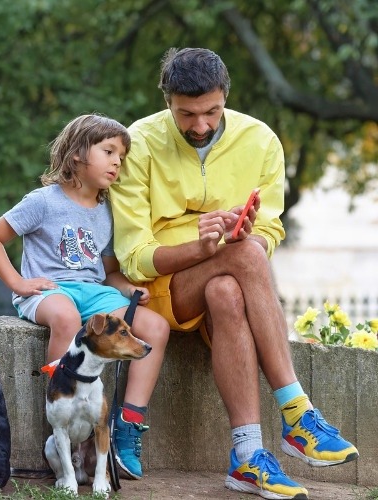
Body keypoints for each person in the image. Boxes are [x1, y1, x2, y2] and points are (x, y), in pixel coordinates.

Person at [111, 47, 359, 499]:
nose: (200, 125)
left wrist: (249, 235)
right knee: (243, 258)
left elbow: (270, 229)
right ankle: (297, 412)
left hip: (227, 286)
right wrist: (201, 248)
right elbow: (133, 257)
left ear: (226, 96)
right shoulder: (139, 142)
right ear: (167, 101)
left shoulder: (260, 140)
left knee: (230, 284)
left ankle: (247, 457)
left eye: (211, 111)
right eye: (186, 114)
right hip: (160, 291)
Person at [0, 114, 170, 480]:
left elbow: (109, 271)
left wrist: (129, 291)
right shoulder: (43, 201)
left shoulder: (108, 210)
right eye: (109, 151)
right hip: (50, 290)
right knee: (66, 319)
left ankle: (127, 422)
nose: (117, 162)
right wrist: (19, 283)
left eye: (122, 156)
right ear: (77, 154)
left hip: (95, 293)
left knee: (155, 327)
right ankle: (62, 426)